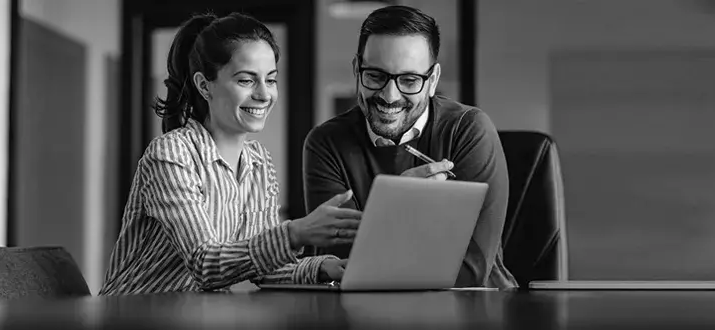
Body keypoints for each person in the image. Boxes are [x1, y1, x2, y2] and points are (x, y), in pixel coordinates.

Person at [100, 12, 362, 295]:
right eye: (246, 81)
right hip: (133, 311)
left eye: (271, 80)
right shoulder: (171, 154)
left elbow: (262, 266)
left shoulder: (259, 162)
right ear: (204, 85)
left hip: (196, 313)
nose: (264, 94)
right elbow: (205, 264)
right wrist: (296, 233)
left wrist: (323, 267)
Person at [302, 5, 518, 289]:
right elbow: (344, 267)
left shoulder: (469, 130)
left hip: (473, 304)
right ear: (357, 70)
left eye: (409, 80)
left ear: (433, 81)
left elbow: (470, 269)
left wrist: (380, 233)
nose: (390, 96)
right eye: (375, 76)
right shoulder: (326, 143)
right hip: (365, 308)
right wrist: (398, 207)